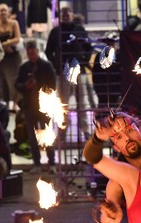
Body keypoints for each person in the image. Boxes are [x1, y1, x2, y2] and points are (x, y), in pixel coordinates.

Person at [45, 6, 92, 141]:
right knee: (63, 103)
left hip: (79, 72)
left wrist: (84, 61)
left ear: (72, 14)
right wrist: (57, 64)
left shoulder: (80, 30)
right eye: (63, 13)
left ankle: (86, 131)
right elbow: (49, 52)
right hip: (63, 73)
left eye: (68, 13)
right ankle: (63, 130)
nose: (66, 15)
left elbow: (88, 48)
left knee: (83, 102)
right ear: (60, 16)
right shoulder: (55, 32)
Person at [15, 40, 57, 175]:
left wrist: (38, 86)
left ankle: (52, 163)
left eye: (33, 52)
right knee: (33, 137)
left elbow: (53, 85)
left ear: (37, 52)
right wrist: (25, 86)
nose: (31, 55)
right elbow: (17, 84)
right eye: (29, 53)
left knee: (47, 134)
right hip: (29, 106)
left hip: (44, 106)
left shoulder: (46, 66)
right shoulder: (24, 67)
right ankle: (37, 163)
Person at [0, 3, 22, 112]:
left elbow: (17, 38)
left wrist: (7, 43)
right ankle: (5, 103)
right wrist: (4, 47)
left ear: (8, 12)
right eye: (1, 11)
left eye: (5, 10)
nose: (3, 13)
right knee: (3, 82)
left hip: (13, 57)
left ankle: (15, 103)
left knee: (14, 81)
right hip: (2, 58)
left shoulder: (14, 23)